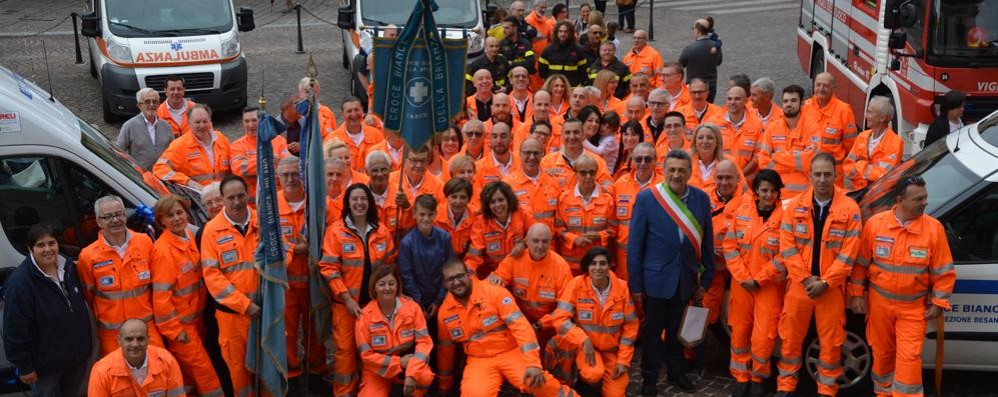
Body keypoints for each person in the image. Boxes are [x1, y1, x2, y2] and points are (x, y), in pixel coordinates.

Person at [848, 176, 956, 397]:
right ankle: (883, 393)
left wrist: (938, 302)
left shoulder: (933, 229)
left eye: (925, 197)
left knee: (908, 360)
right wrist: (857, 294)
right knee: (882, 355)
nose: (925, 202)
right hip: (879, 305)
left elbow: (943, 271)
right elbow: (860, 264)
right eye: (918, 199)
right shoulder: (876, 225)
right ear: (899, 200)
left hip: (913, 309)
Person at [628, 149, 715, 394]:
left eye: (681, 170)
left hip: (685, 279)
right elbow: (635, 246)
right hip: (655, 279)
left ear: (690, 173)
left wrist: (706, 279)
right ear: (663, 171)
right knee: (653, 333)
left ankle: (677, 373)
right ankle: (649, 378)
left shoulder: (701, 199)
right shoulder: (647, 198)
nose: (676, 175)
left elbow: (707, 242)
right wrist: (635, 286)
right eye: (672, 170)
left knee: (679, 331)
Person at [775, 153, 862, 397]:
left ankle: (826, 390)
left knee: (832, 344)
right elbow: (787, 247)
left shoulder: (850, 209)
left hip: (831, 290)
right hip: (799, 286)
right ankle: (785, 387)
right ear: (810, 175)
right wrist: (805, 279)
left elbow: (849, 252)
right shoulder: (794, 207)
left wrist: (826, 281)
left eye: (827, 174)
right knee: (790, 339)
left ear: (836, 175)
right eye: (818, 174)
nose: (822, 179)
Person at [435, 259, 578, 397]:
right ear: (444, 283)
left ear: (469, 273)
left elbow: (521, 327)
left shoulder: (494, 292)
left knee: (537, 382)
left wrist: (533, 364)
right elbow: (445, 350)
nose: (457, 282)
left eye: (460, 276)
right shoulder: (445, 313)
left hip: (511, 351)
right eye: (450, 279)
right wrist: (444, 385)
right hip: (479, 360)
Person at [320, 183, 397, 397]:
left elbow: (390, 265)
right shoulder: (335, 232)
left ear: (370, 203)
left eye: (363, 199)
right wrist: (347, 299)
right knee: (345, 353)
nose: (359, 203)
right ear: (347, 203)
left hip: (375, 305)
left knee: (374, 350)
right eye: (354, 199)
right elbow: (328, 269)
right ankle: (344, 393)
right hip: (346, 306)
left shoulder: (381, 231)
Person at [3, 224, 92, 396]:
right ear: (30, 249)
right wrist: (25, 366)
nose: (47, 249)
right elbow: (14, 330)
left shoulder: (68, 268)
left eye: (51, 243)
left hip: (76, 361)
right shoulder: (20, 283)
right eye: (40, 245)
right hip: (45, 370)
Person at [722, 169, 786, 396]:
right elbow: (730, 247)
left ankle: (758, 378)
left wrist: (758, 280)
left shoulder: (784, 219)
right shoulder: (743, 212)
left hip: (768, 287)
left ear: (778, 192)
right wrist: (743, 277)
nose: (767, 195)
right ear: (757, 191)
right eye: (763, 190)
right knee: (739, 332)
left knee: (763, 336)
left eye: (771, 191)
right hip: (742, 285)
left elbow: (785, 255)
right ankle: (740, 378)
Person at [151, 194, 222, 396]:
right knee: (205, 374)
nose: (176, 218)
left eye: (179, 213)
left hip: (196, 322)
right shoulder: (162, 251)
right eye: (170, 215)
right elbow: (161, 297)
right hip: (182, 329)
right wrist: (174, 331)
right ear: (161, 220)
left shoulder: (188, 237)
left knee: (188, 377)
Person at [77, 195, 164, 356]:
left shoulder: (145, 243)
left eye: (118, 214)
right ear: (98, 222)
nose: (115, 220)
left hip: (146, 329)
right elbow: (88, 297)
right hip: (112, 336)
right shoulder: (88, 256)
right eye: (108, 216)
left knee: (159, 371)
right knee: (119, 378)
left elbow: (157, 285)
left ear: (125, 215)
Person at [200, 176, 262, 397]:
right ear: (223, 200)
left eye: (241, 196)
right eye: (231, 198)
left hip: (266, 312)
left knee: (268, 371)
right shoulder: (211, 230)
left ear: (248, 195)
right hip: (233, 318)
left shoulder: (262, 221)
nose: (237, 202)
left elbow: (283, 252)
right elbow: (212, 276)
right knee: (240, 374)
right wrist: (244, 305)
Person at [548, 247, 639, 396]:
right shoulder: (577, 284)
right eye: (593, 263)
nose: (598, 268)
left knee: (616, 394)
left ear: (609, 266)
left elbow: (631, 326)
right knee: (592, 374)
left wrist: (623, 361)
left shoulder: (622, 288)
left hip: (612, 352)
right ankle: (585, 387)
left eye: (602, 263)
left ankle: (602, 382)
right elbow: (559, 318)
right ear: (587, 267)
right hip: (588, 349)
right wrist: (583, 340)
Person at [275, 156, 327, 389]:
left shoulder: (316, 202)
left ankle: (316, 371)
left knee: (315, 329)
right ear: (278, 178)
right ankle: (293, 374)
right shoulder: (271, 206)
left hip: (314, 279)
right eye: (285, 175)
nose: (290, 179)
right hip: (285, 284)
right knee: (286, 331)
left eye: (295, 174)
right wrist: (295, 249)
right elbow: (264, 239)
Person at [487, 222, 572, 351]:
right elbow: (496, 283)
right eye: (535, 241)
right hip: (518, 324)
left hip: (548, 327)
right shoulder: (514, 259)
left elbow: (565, 309)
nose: (540, 246)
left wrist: (541, 325)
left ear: (550, 242)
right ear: (526, 241)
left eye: (545, 241)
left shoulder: (561, 267)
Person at [355, 266, 435, 396]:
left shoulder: (413, 308)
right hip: (377, 370)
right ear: (373, 287)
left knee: (424, 377)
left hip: (408, 363)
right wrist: (399, 363)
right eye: (381, 284)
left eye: (391, 283)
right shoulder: (364, 317)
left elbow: (424, 342)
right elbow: (366, 356)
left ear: (397, 286)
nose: (387, 288)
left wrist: (412, 373)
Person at [88, 319, 184, 397]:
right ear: (119, 341)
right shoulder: (101, 372)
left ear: (148, 340)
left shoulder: (167, 361)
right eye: (129, 339)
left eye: (140, 339)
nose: (135, 344)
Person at [554, 154, 616, 273]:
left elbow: (613, 229)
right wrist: (573, 238)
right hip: (571, 264)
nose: (588, 176)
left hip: (597, 265)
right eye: (583, 173)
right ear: (575, 173)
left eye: (592, 172)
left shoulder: (607, 200)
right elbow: (558, 228)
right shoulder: (564, 198)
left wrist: (599, 235)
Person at [611, 142, 661, 281]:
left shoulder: (664, 186)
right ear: (632, 160)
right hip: (624, 257)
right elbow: (612, 223)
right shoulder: (619, 184)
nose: (643, 163)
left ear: (655, 160)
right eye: (638, 159)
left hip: (653, 257)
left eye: (648, 159)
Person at [399, 194, 454, 318]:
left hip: (442, 298)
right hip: (416, 302)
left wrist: (438, 300)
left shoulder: (444, 237)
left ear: (435, 214)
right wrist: (418, 303)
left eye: (430, 214)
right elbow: (407, 277)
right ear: (414, 214)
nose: (426, 219)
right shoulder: (407, 243)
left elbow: (450, 270)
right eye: (422, 214)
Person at [757, 84, 816, 199]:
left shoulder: (812, 128)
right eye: (786, 101)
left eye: (793, 100)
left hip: (803, 196)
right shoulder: (772, 128)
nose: (789, 104)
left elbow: (810, 162)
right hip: (776, 195)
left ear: (802, 103)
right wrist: (795, 162)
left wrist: (776, 156)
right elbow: (763, 162)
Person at [153, 104, 232, 189]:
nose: (202, 126)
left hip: (223, 195)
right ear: (189, 124)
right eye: (197, 122)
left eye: (205, 121)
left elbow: (232, 165)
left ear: (210, 122)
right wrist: (188, 182)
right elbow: (159, 169)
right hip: (198, 198)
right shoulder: (179, 145)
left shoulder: (221, 139)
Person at [465, 181, 532, 279]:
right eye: (492, 202)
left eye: (501, 200)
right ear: (487, 205)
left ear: (508, 200)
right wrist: (469, 277)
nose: (497, 205)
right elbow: (474, 257)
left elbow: (536, 235)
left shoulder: (523, 214)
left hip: (519, 272)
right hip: (492, 275)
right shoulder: (480, 223)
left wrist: (524, 243)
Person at [801, 72, 859, 179]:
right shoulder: (805, 107)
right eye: (818, 85)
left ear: (833, 88)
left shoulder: (844, 110)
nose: (821, 89)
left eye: (825, 85)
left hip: (833, 171)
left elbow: (851, 143)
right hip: (808, 168)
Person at [228, 107, 290, 203]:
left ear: (261, 121)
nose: (250, 125)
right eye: (246, 121)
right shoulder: (237, 145)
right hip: (251, 203)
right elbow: (238, 169)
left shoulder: (279, 141)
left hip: (277, 201)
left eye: (254, 120)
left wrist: (250, 165)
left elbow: (287, 167)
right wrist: (269, 160)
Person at [843, 96, 904, 192]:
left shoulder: (895, 143)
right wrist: (869, 171)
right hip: (856, 192)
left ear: (882, 118)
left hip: (877, 196)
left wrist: (859, 165)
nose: (866, 116)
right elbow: (847, 167)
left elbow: (885, 176)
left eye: (870, 112)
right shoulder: (862, 136)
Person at [705, 86, 764, 182]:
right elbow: (708, 152)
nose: (732, 102)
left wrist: (740, 174)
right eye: (729, 99)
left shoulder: (757, 124)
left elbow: (758, 156)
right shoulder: (713, 122)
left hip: (746, 180)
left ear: (746, 101)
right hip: (719, 179)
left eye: (737, 99)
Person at [384, 147, 446, 236]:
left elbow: (438, 220)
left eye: (423, 161)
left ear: (428, 161)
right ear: (404, 161)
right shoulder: (389, 181)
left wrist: (408, 207)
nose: (418, 165)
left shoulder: (439, 186)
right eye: (414, 160)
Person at [503, 138, 562, 229]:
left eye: (536, 153)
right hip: (521, 240)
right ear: (519, 154)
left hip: (548, 241)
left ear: (542, 154)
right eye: (527, 153)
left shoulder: (553, 181)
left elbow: (559, 219)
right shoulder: (507, 184)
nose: (532, 157)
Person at [540, 118, 613, 189]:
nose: (572, 137)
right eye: (567, 132)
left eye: (576, 132)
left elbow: (608, 187)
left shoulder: (597, 161)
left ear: (583, 135)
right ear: (561, 135)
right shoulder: (547, 162)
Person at [116, 88, 174, 170]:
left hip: (164, 176)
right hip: (141, 178)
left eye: (154, 101)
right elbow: (118, 152)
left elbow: (174, 151)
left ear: (158, 104)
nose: (151, 105)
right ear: (139, 106)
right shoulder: (129, 126)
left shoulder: (166, 126)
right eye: (147, 102)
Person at [330, 97, 385, 171]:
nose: (354, 114)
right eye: (349, 111)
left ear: (362, 111)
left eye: (356, 110)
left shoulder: (377, 135)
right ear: (342, 114)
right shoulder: (332, 140)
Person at [679, 19, 723, 103]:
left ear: (698, 31)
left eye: (693, 29)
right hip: (711, 86)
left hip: (694, 87)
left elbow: (679, 66)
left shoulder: (690, 48)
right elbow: (719, 62)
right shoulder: (715, 46)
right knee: (708, 110)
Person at [539, 21, 589, 87]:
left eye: (566, 32)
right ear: (556, 33)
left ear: (570, 33)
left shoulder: (578, 51)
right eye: (560, 31)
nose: (563, 34)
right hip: (554, 89)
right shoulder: (548, 51)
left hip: (572, 89)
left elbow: (583, 72)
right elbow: (542, 72)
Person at [435, 178, 476, 258]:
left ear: (469, 199)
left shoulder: (476, 217)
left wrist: (467, 269)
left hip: (465, 263)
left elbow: (476, 250)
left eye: (463, 197)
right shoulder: (435, 216)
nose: (458, 201)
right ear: (447, 197)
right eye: (454, 197)